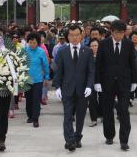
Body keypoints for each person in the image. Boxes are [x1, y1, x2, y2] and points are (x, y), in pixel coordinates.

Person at [95, 20, 137, 151]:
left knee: (124, 111)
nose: (119, 36)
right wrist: (97, 82)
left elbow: (132, 64)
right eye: (117, 33)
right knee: (107, 110)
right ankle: (109, 135)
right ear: (111, 32)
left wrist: (135, 81)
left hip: (124, 82)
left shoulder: (129, 44)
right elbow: (98, 65)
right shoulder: (103, 44)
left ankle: (124, 140)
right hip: (107, 82)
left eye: (122, 33)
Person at [53, 24, 95, 152]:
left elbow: (91, 72)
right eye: (72, 35)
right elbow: (58, 71)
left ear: (81, 35)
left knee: (81, 116)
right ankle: (70, 140)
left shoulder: (87, 51)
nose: (75, 38)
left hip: (83, 90)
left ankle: (77, 137)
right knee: (67, 116)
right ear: (68, 36)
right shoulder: (62, 51)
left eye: (77, 35)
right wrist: (57, 87)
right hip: (67, 88)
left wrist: (89, 86)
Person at [25, 32, 50, 128]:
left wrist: (46, 77)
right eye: (30, 42)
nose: (32, 44)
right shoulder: (25, 50)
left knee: (36, 100)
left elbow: (45, 65)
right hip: (27, 80)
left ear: (38, 42)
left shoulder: (41, 52)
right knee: (28, 99)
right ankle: (30, 116)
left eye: (34, 42)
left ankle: (35, 119)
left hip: (38, 80)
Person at [88, 38, 101, 127]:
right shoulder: (87, 57)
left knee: (103, 99)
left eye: (95, 45)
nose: (94, 47)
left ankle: (102, 114)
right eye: (92, 46)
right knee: (92, 100)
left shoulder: (103, 56)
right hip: (91, 81)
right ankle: (93, 119)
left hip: (101, 81)